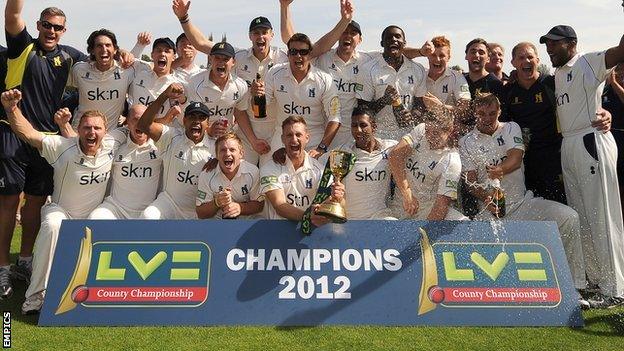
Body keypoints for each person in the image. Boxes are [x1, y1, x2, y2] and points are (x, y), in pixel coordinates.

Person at [172, 0, 351, 165]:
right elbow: (201, 43)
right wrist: (183, 18)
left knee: (274, 179)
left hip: (276, 131)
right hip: (247, 129)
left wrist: (344, 21)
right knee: (240, 176)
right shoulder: (237, 57)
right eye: (256, 33)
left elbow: (318, 47)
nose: (261, 37)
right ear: (250, 36)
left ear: (271, 35)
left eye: (264, 32)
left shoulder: (285, 56)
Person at [2, 89, 124, 314]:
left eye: (97, 128)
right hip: (61, 210)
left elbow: (141, 124)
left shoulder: (114, 144)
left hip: (92, 214)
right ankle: (35, 297)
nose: (91, 132)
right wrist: (12, 110)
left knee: (104, 220)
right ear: (78, 130)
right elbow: (28, 133)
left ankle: (98, 294)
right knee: (51, 226)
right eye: (86, 127)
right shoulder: (61, 146)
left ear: (106, 132)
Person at [458, 93, 587, 305]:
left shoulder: (511, 128)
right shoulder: (466, 142)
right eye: (481, 114)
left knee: (569, 217)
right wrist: (487, 196)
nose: (487, 118)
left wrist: (499, 170)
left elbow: (516, 159)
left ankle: (574, 289)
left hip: (523, 204)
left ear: (499, 112)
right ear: (474, 113)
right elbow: (470, 182)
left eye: (492, 113)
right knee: (489, 273)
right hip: (489, 213)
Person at [0, 2, 89, 299]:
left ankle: (24, 261)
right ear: (38, 25)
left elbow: (101, 64)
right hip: (12, 133)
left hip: (46, 141)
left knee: (35, 205)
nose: (51, 31)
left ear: (64, 31)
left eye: (57, 27)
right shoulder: (22, 46)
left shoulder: (71, 57)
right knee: (9, 202)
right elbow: (12, 15)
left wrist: (128, 56)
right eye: (47, 25)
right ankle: (2, 267)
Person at [540, 25, 624, 305]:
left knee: (602, 215)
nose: (549, 49)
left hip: (591, 140)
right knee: (582, 217)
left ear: (571, 43)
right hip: (569, 143)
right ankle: (595, 282)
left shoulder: (589, 61)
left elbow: (619, 51)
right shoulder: (558, 74)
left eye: (554, 43)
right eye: (547, 44)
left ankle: (615, 290)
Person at [138, 84, 213, 220]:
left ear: (208, 123)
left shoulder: (217, 146)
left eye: (201, 118)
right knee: (147, 217)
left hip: (200, 209)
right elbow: (143, 125)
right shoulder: (171, 136)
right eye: (192, 117)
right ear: (184, 120)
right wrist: (164, 96)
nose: (196, 121)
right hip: (169, 204)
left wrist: (218, 159)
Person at [184, 41, 269, 159]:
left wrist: (253, 141)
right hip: (199, 140)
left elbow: (240, 113)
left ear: (233, 62)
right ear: (210, 59)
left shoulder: (240, 85)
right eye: (217, 58)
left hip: (226, 141)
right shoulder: (195, 82)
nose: (221, 62)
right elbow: (190, 118)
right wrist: (208, 130)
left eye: (225, 59)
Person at [264, 33, 341, 160]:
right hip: (282, 138)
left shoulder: (324, 79)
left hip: (314, 141)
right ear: (288, 54)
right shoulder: (274, 73)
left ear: (310, 54)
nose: (298, 56)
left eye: (303, 52)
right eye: (293, 52)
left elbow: (335, 118)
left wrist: (321, 148)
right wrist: (257, 97)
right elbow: (261, 108)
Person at [389, 109, 467, 221]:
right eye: (428, 131)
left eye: (436, 133)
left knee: (463, 222)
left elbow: (440, 208)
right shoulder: (421, 130)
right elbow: (395, 156)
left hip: (426, 211)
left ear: (449, 130)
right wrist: (407, 193)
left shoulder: (452, 162)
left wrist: (423, 234)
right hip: (400, 207)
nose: (429, 137)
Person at [88, 105, 162, 219]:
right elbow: (85, 146)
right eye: (135, 119)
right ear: (127, 122)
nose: (140, 123)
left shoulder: (161, 147)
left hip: (148, 209)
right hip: (116, 208)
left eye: (144, 119)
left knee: (150, 217)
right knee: (96, 218)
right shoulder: (115, 143)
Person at [356, 25, 427, 141]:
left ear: (404, 43)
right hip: (379, 136)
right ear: (382, 43)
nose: (394, 39)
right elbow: (362, 109)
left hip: (409, 136)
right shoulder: (368, 69)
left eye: (398, 37)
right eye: (389, 37)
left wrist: (412, 115)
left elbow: (420, 105)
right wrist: (384, 101)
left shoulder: (418, 69)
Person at [328, 106, 397, 219]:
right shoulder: (342, 153)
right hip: (352, 220)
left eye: (363, 125)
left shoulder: (390, 148)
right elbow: (332, 186)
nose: (358, 130)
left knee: (391, 223)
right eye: (354, 126)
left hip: (380, 216)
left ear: (374, 127)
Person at [259, 116, 325, 221]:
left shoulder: (320, 170)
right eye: (289, 135)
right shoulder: (269, 168)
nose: (294, 139)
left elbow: (328, 202)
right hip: (278, 232)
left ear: (307, 138)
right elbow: (279, 205)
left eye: (298, 135)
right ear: (282, 139)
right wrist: (307, 217)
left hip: (308, 233)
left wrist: (337, 197)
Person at [69, 29, 135, 131]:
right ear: (92, 50)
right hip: (79, 133)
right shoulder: (79, 70)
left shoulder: (126, 71)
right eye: (99, 45)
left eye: (108, 45)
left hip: (110, 136)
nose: (104, 49)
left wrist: (139, 46)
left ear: (115, 49)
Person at [196, 133, 263, 219]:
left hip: (245, 225)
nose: (227, 154)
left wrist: (240, 208)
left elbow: (260, 205)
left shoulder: (252, 172)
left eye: (232, 150)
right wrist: (216, 202)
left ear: (241, 154)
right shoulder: (207, 174)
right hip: (218, 226)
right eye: (223, 150)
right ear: (216, 155)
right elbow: (201, 213)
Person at [421, 36, 471, 138]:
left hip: (448, 133)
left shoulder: (457, 77)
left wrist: (440, 107)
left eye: (442, 55)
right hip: (424, 132)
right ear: (428, 56)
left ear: (449, 57)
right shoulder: (420, 76)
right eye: (433, 55)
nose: (437, 59)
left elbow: (464, 110)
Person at [129, 37, 183, 123]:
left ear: (174, 57)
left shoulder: (178, 85)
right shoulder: (139, 73)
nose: (162, 54)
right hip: (134, 131)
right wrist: (140, 45)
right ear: (152, 55)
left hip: (159, 134)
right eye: (158, 50)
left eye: (167, 51)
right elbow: (128, 60)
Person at [601, 63, 624, 212]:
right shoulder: (605, 90)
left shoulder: (614, 86)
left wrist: (614, 83)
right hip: (611, 143)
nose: (620, 72)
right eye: (618, 68)